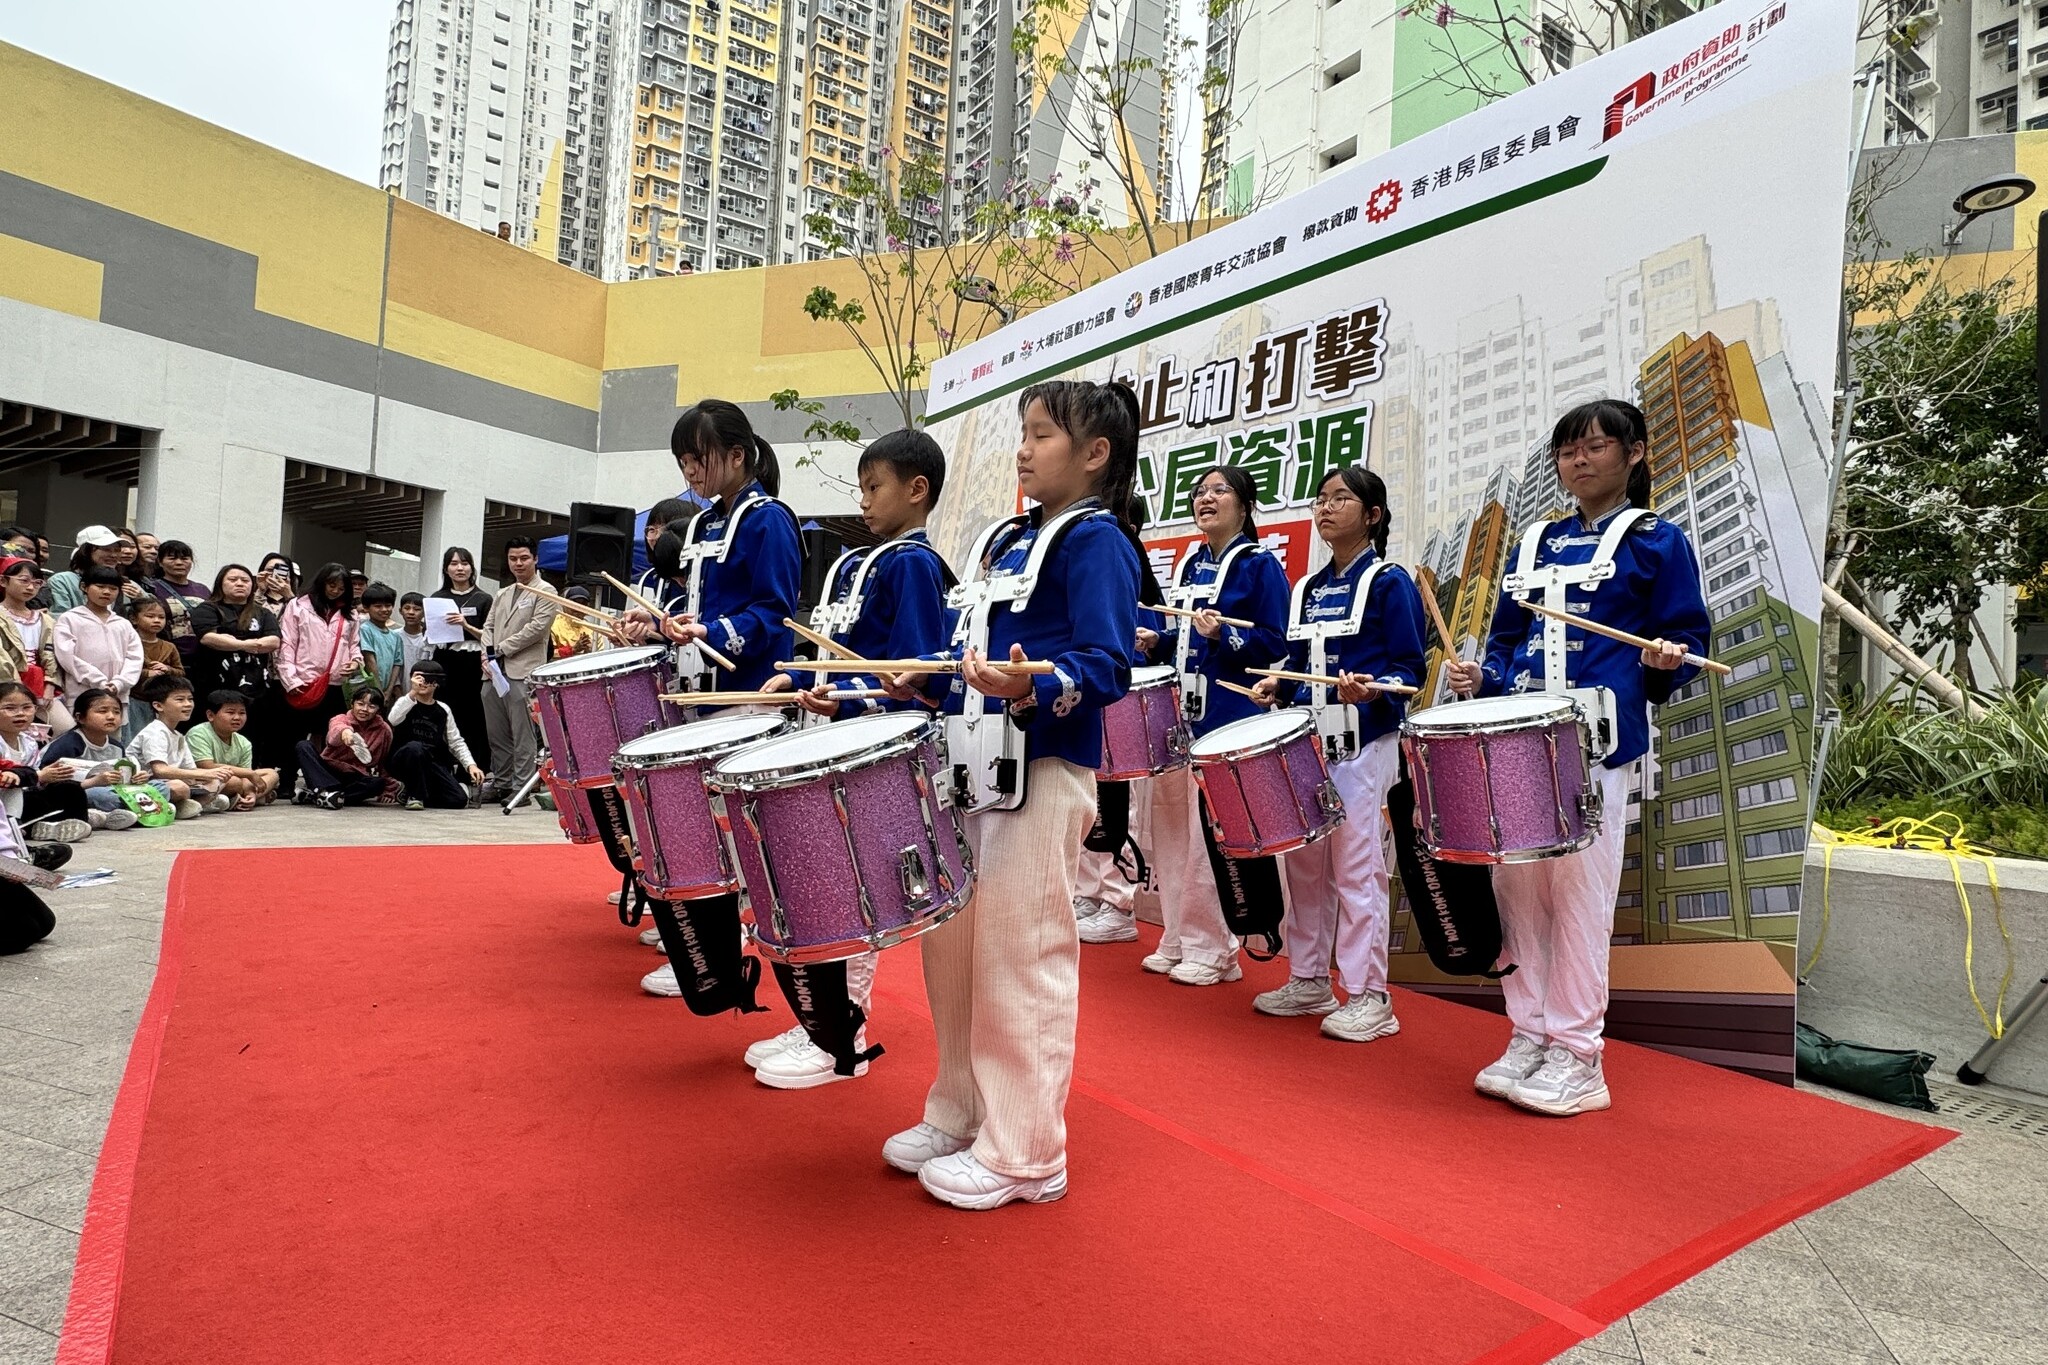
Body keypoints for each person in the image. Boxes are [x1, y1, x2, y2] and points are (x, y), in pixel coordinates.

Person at [879, 378, 1141, 1211]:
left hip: (1042, 767)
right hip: (969, 766)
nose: (1023, 450)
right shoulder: (1006, 538)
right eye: (1022, 433)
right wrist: (919, 678)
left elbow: (1108, 664)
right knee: (953, 949)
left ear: (1095, 454)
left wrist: (1032, 683)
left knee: (1020, 955)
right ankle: (961, 1109)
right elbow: (970, 650)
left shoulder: (1097, 541)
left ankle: (1027, 1149)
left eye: (1042, 435)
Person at [1444, 398, 1710, 1117]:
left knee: (1581, 899)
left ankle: (1578, 1053)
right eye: (1568, 450)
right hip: (1516, 738)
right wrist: (1484, 677)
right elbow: (1507, 640)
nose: (1579, 460)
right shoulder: (1534, 541)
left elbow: (1689, 640)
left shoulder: (1658, 542)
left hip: (1595, 743)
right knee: (1518, 893)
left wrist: (1667, 659)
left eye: (1595, 446)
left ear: (1635, 453)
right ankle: (1528, 1033)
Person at [740, 428, 951, 1091]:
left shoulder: (913, 565)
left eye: (873, 486)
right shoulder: (865, 562)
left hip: (871, 760)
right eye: (861, 487)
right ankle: (820, 1024)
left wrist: (851, 697)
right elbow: (846, 657)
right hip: (839, 743)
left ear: (916, 491)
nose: (863, 500)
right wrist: (803, 676)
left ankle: (843, 1037)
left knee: (855, 896)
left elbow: (913, 674)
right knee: (822, 889)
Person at [627, 400, 800, 1007]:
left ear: (737, 455)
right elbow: (699, 608)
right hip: (700, 695)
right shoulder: (702, 524)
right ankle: (714, 961)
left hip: (750, 696)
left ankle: (742, 957)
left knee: (738, 838)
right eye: (683, 462)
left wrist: (711, 632)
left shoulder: (769, 520)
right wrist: (661, 625)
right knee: (703, 834)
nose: (690, 472)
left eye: (698, 459)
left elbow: (775, 613)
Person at [1248, 466, 1425, 1042]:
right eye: (1320, 499)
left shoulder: (1391, 582)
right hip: (1308, 744)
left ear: (1372, 515)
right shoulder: (1306, 588)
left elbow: (1410, 671)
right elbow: (1301, 669)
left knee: (1357, 869)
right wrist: (1279, 684)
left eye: (1340, 498)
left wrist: (1372, 689)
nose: (1325, 508)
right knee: (1305, 866)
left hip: (1365, 744)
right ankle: (1308, 978)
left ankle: (1370, 995)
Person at [1117, 465, 1289, 984]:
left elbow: (1274, 641)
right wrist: (1161, 641)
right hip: (1181, 712)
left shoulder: (1259, 565)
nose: (1205, 499)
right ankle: (1177, 933)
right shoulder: (1193, 562)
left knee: (1205, 838)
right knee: (1169, 828)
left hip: (1227, 714)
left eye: (1219, 491)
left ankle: (1214, 947)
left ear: (1245, 505)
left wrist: (1224, 638)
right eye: (1199, 491)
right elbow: (1188, 637)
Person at [477, 537, 557, 801]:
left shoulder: (546, 591)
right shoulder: (503, 593)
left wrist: (499, 649)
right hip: (492, 670)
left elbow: (536, 630)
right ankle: (501, 781)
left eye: (524, 558)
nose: (518, 563)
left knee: (523, 733)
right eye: (513, 558)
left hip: (522, 670)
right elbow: (488, 627)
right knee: (496, 732)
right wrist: (486, 654)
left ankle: (521, 787)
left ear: (535, 559)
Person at [276, 563, 363, 799]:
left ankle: (325, 782)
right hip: (303, 682)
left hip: (335, 684)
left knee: (332, 738)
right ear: (321, 583)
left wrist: (355, 663)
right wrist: (291, 680)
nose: (335, 591)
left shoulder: (350, 613)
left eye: (341, 588)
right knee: (293, 736)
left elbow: (354, 646)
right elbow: (287, 644)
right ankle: (286, 782)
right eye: (331, 585)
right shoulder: (298, 606)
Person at [0, 681, 93, 844]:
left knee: (69, 788)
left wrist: (50, 776)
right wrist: (39, 776)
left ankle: (74, 823)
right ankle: (24, 829)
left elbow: (34, 777)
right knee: (15, 790)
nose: (20, 714)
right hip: (5, 800)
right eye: (10, 708)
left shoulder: (29, 742)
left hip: (26, 796)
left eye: (27, 708)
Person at [40, 688, 146, 829]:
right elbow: (51, 786)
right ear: (80, 717)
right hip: (78, 794)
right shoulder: (67, 745)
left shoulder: (117, 746)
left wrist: (136, 778)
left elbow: (122, 780)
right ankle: (124, 813)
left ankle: (116, 814)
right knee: (102, 796)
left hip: (113, 790)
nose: (111, 717)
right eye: (102, 711)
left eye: (116, 712)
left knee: (162, 786)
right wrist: (95, 782)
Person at [127, 675, 230, 818]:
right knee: (179, 787)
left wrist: (216, 773)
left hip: (173, 781)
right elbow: (160, 770)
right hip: (146, 784)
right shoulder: (155, 732)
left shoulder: (178, 735)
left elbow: (190, 770)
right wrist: (204, 773)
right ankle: (186, 805)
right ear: (158, 706)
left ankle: (193, 805)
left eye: (190, 699)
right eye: (180, 700)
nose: (188, 704)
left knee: (216, 780)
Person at [386, 661, 482, 810]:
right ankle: (415, 796)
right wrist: (412, 693)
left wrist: (471, 765)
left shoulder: (443, 709)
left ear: (436, 683)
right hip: (404, 759)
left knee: (458, 800)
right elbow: (393, 719)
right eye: (418, 678)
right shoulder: (406, 702)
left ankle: (410, 792)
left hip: (431, 762)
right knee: (415, 748)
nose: (423, 683)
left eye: (428, 680)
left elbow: (455, 741)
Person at [430, 547, 493, 769]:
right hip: (444, 659)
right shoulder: (437, 598)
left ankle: (476, 768)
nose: (460, 568)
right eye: (454, 564)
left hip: (472, 661)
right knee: (443, 709)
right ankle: (443, 766)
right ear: (446, 569)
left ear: (472, 568)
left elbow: (491, 636)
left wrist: (465, 625)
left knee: (473, 713)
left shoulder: (484, 599)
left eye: (465, 563)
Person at [54, 567, 143, 721]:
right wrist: (98, 681)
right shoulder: (70, 619)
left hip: (117, 695)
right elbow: (67, 656)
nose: (106, 592)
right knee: (81, 731)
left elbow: (135, 658)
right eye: (100, 586)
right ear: (84, 587)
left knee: (112, 731)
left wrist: (120, 683)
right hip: (82, 693)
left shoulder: (123, 624)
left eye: (113, 588)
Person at [294, 687, 399, 809]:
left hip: (354, 776)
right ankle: (327, 793)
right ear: (352, 704)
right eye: (360, 704)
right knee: (303, 746)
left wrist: (389, 790)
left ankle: (319, 795)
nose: (364, 709)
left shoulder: (384, 730)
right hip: (328, 770)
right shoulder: (341, 718)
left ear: (378, 710)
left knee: (377, 783)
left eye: (371, 706)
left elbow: (383, 762)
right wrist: (345, 732)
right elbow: (334, 734)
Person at [188, 689, 281, 808]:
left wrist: (251, 793)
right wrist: (249, 773)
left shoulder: (243, 742)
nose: (237, 717)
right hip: (204, 779)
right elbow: (206, 765)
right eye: (230, 712)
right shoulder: (198, 733)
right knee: (234, 782)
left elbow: (246, 778)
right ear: (211, 715)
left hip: (234, 779)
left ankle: (246, 799)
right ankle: (254, 798)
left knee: (272, 774)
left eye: (242, 713)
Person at [0, 557, 61, 731]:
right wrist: (16, 688)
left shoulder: (45, 619)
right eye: (24, 580)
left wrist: (50, 684)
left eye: (37, 583)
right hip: (5, 682)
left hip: (38, 682)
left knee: (63, 728)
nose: (30, 587)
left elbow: (50, 653)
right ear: (3, 581)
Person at [122, 595, 183, 739]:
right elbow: (121, 669)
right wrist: (146, 673)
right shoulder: (127, 643)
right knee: (134, 736)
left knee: (158, 737)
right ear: (134, 619)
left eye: (161, 617)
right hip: (135, 697)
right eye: (150, 616)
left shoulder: (169, 646)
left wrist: (167, 669)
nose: (157, 620)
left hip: (161, 700)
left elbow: (180, 672)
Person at [149, 539, 209, 662]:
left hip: (203, 657)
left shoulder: (202, 589)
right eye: (172, 558)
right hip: (168, 657)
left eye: (184, 558)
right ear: (160, 562)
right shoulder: (152, 588)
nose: (179, 562)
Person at [43, 525, 125, 613]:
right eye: (106, 549)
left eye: (117, 550)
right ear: (86, 551)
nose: (113, 555)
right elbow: (58, 616)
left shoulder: (118, 583)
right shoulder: (62, 581)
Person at [357, 583, 407, 697]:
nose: (384, 610)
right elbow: (370, 661)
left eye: (388, 605)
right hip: (368, 691)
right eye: (378, 606)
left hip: (386, 691)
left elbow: (397, 664)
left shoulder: (395, 636)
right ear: (366, 608)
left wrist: (389, 690)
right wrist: (378, 691)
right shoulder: (365, 629)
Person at [549, 585, 605, 658]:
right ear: (565, 604)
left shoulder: (593, 630)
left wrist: (589, 651)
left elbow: (600, 656)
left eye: (583, 604)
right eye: (574, 603)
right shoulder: (553, 625)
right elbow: (548, 654)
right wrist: (573, 649)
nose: (577, 607)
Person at [396, 592, 433, 679]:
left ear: (425, 613)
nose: (411, 612)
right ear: (400, 611)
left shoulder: (429, 638)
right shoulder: (395, 636)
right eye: (407, 608)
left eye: (417, 609)